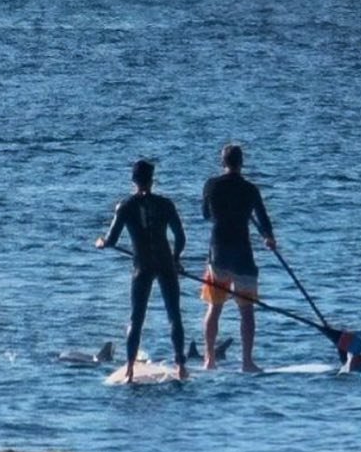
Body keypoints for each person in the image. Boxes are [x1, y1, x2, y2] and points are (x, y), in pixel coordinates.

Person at [96, 159, 188, 382]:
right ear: (152, 179)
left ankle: (129, 369)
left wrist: (101, 243)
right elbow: (180, 238)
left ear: (133, 180)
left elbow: (112, 239)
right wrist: (175, 259)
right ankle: (181, 366)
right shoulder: (166, 204)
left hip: (143, 266)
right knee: (174, 315)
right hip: (165, 263)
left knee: (136, 319)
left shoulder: (125, 206)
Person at [200, 143, 277, 372]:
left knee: (215, 307)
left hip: (219, 254)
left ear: (223, 163)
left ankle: (209, 360)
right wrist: (269, 237)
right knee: (247, 311)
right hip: (243, 254)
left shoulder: (211, 185)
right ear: (241, 163)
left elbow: (206, 215)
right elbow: (263, 217)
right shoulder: (250, 189)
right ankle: (247, 362)